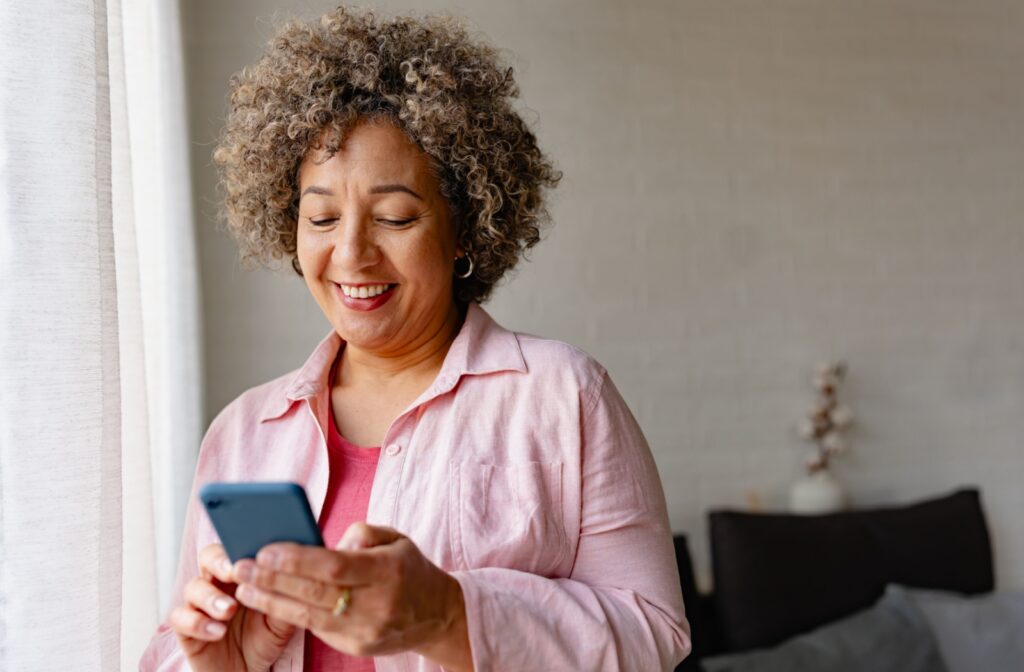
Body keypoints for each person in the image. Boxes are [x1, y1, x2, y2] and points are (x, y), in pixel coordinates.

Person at [141, 6, 690, 671]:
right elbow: (173, 649)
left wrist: (449, 613)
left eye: (395, 216)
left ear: (464, 228)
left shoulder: (564, 396)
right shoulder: (244, 432)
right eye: (321, 216)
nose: (351, 253)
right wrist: (223, 662)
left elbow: (654, 634)